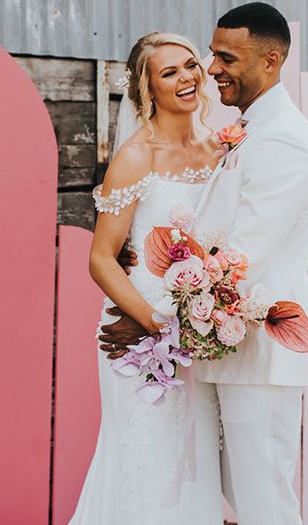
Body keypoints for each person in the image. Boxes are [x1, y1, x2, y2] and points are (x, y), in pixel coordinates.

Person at [100, 2, 308, 525]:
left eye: (225, 57)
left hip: (260, 351)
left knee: (266, 503)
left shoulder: (284, 140)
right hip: (221, 350)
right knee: (240, 494)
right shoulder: (246, 130)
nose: (211, 68)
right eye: (213, 54)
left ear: (270, 62)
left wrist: (154, 328)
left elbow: (237, 259)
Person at [69, 33, 224, 524]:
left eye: (190, 66)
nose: (186, 79)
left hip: (200, 329)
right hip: (141, 333)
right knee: (144, 458)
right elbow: (100, 258)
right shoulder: (138, 155)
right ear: (147, 90)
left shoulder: (218, 147)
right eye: (169, 73)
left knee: (191, 458)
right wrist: (156, 323)